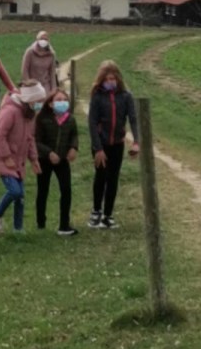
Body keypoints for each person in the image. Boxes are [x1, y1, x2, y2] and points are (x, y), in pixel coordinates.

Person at [0, 81, 45, 233]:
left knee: (21, 196)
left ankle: (18, 228)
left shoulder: (30, 114)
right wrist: (6, 157)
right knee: (15, 191)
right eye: (39, 100)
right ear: (30, 99)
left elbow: (30, 138)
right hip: (3, 160)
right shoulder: (10, 112)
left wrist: (34, 159)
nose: (41, 104)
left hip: (18, 160)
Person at [88, 60, 139, 229]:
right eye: (107, 79)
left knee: (113, 179)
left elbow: (133, 119)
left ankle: (108, 215)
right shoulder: (97, 96)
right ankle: (96, 211)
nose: (110, 81)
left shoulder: (126, 96)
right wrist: (98, 149)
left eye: (113, 78)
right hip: (101, 144)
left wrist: (136, 142)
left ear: (118, 78)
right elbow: (92, 123)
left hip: (117, 144)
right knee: (101, 176)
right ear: (101, 79)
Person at [35, 88, 78, 235]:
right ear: (50, 104)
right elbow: (37, 141)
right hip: (44, 159)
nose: (62, 102)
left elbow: (74, 135)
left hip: (62, 160)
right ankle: (41, 223)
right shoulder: (42, 119)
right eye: (59, 100)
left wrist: (73, 148)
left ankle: (64, 225)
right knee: (43, 190)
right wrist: (49, 153)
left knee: (66, 190)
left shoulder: (70, 119)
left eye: (65, 100)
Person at [21, 31, 59, 95]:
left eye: (45, 39)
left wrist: (53, 89)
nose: (43, 41)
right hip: (32, 86)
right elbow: (25, 69)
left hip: (45, 86)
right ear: (37, 40)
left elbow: (52, 73)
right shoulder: (30, 52)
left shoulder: (51, 54)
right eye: (42, 39)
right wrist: (27, 82)